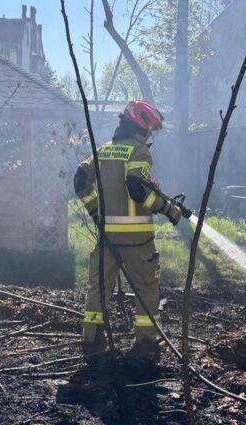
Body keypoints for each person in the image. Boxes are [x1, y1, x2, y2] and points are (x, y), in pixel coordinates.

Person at [73, 100, 190, 364]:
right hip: (138, 241)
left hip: (107, 239)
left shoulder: (103, 151)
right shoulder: (139, 152)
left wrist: (95, 213)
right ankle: (146, 345)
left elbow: (80, 180)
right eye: (152, 129)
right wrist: (169, 209)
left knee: (99, 289)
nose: (151, 135)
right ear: (142, 126)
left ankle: (92, 342)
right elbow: (138, 189)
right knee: (146, 288)